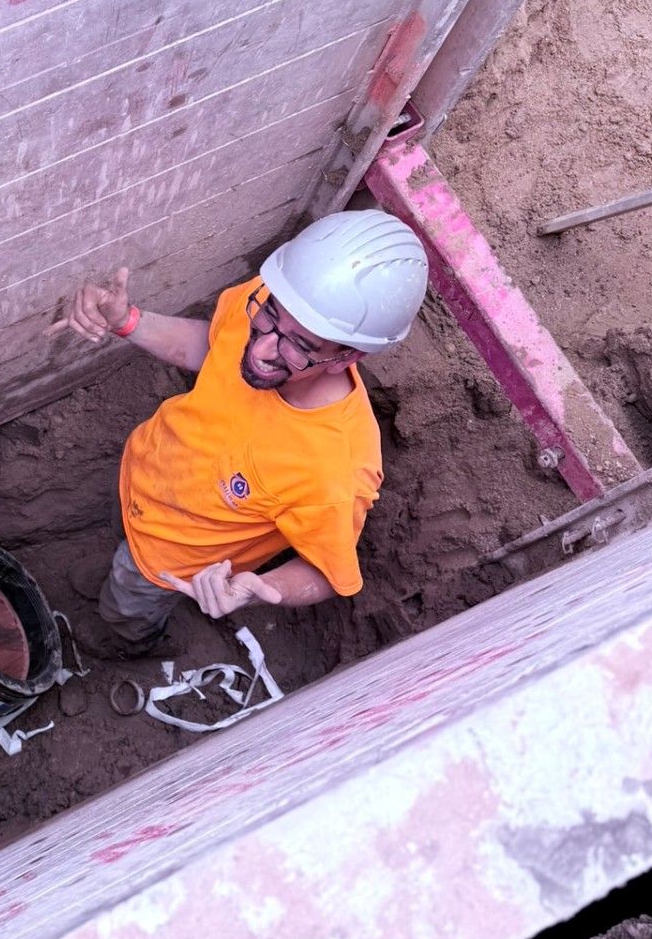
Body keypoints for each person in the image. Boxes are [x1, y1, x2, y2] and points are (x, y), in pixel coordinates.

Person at [50, 211, 429, 651]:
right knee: (123, 549)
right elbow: (214, 345)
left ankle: (127, 641)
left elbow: (327, 573)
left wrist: (259, 587)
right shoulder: (274, 302)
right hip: (143, 473)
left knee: (128, 605)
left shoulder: (334, 470)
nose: (263, 349)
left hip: (173, 558)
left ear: (348, 358)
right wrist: (127, 321)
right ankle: (123, 563)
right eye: (269, 319)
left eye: (299, 347)